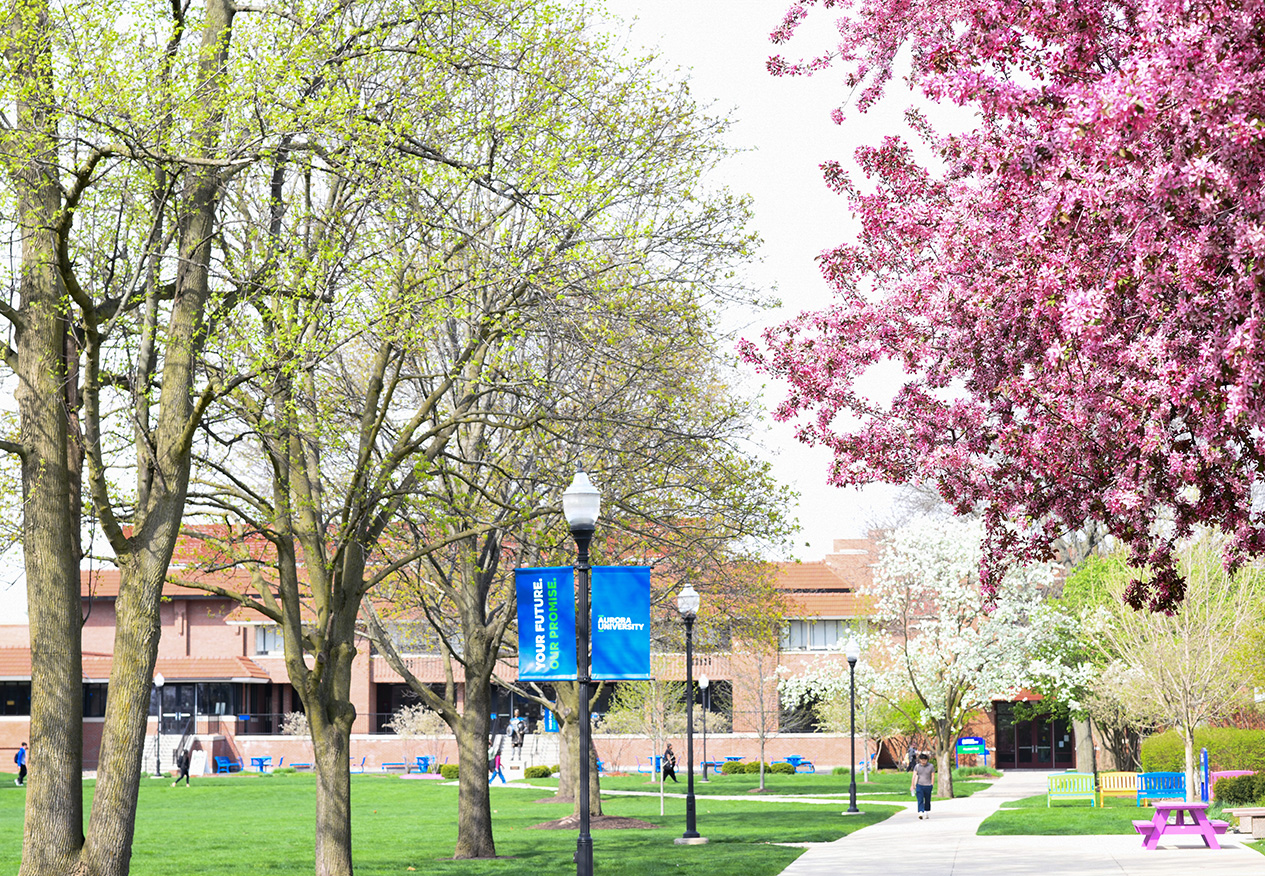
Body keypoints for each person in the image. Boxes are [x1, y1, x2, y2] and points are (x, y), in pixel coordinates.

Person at [911, 752, 934, 819]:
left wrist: (932, 784)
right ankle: (920, 812)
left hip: (928, 785)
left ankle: (926, 811)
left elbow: (932, 776)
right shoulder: (917, 766)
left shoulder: (931, 766)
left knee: (927, 799)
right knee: (920, 799)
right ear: (920, 760)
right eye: (922, 760)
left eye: (925, 760)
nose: (923, 761)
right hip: (919, 785)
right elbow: (914, 775)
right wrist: (912, 785)